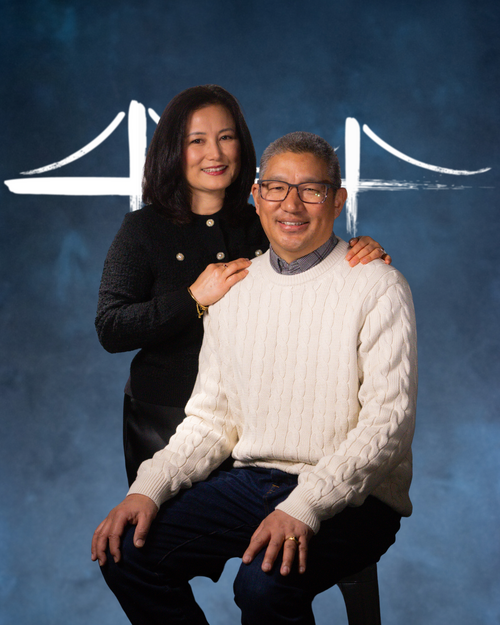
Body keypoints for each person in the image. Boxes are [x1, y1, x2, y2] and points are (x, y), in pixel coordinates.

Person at [92, 131, 418, 625]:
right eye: (277, 188)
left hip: (357, 497)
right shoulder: (236, 288)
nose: (292, 204)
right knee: (125, 553)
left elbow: (387, 426)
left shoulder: (377, 286)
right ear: (257, 197)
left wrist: (305, 506)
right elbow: (212, 420)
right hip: (252, 482)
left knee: (262, 585)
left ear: (338, 201)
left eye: (311, 189)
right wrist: (147, 489)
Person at [95, 85, 392, 485]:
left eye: (226, 137)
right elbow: (111, 327)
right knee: (166, 521)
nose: (215, 154)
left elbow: (319, 266)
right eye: (197, 141)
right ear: (172, 150)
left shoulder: (267, 221)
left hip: (255, 417)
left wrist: (360, 250)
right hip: (164, 414)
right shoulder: (142, 229)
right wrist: (193, 299)